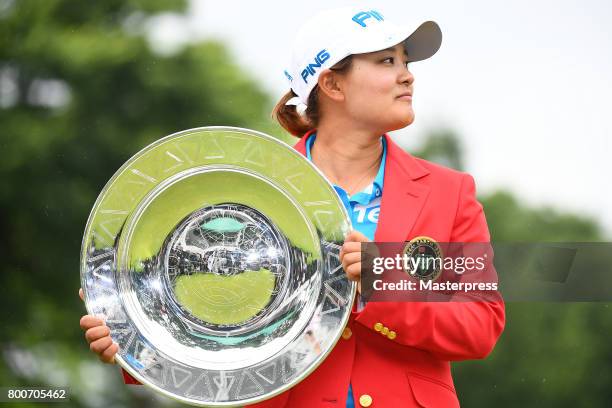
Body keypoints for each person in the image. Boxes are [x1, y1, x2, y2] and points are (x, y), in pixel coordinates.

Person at [79, 6, 505, 407]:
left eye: (406, 63)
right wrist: (130, 346)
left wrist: (381, 282)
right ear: (332, 84)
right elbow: (206, 320)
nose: (407, 77)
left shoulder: (449, 192)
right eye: (386, 62)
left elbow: (480, 325)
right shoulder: (253, 188)